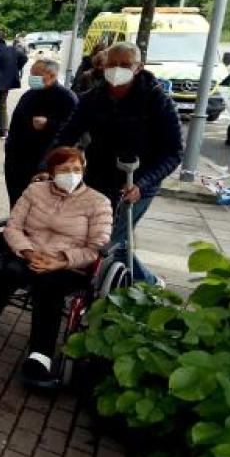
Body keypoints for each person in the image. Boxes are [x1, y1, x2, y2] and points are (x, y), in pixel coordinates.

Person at [0, 147, 112, 386]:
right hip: (27, 254)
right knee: (3, 274)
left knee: (50, 288)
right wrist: (28, 252)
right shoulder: (35, 191)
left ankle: (40, 357)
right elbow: (13, 227)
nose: (72, 174)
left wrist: (61, 261)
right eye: (65, 169)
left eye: (77, 169)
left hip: (67, 265)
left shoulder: (98, 202)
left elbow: (95, 248)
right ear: (52, 171)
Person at [55, 41, 182, 285]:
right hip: (99, 177)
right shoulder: (92, 98)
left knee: (114, 241)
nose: (117, 69)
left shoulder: (157, 101)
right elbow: (67, 134)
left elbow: (174, 152)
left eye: (125, 65)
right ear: (103, 66)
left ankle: (149, 283)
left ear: (138, 67)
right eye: (112, 64)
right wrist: (48, 167)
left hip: (138, 181)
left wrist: (142, 184)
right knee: (89, 232)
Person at [4, 59, 78, 207]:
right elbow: (15, 124)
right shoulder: (29, 95)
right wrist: (9, 147)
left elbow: (72, 131)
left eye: (36, 74)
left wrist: (49, 124)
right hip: (17, 160)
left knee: (39, 205)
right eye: (31, 73)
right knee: (17, 201)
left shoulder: (66, 98)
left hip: (43, 162)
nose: (32, 77)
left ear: (51, 75)